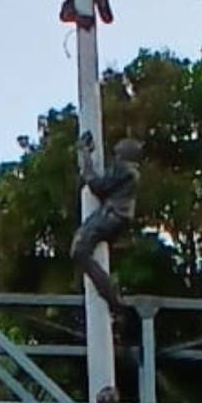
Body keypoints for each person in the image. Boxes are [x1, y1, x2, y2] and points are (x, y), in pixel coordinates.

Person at [71, 131, 141, 308]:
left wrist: (85, 155)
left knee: (79, 251)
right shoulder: (129, 172)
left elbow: (97, 186)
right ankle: (111, 295)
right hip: (116, 217)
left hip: (111, 216)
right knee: (81, 251)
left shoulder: (125, 170)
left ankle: (112, 297)